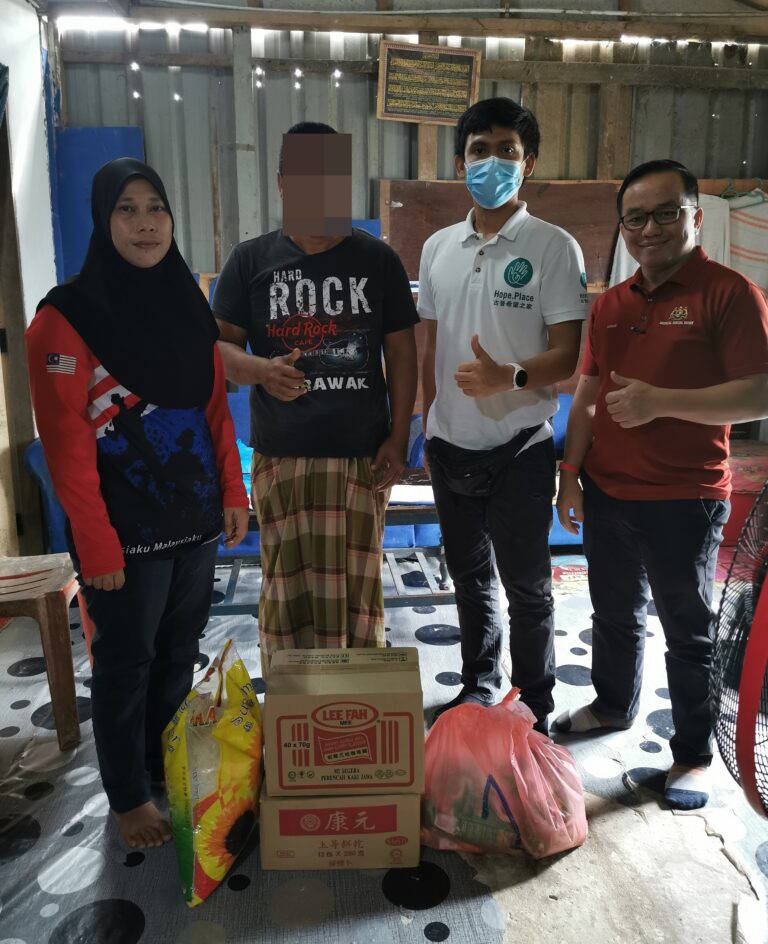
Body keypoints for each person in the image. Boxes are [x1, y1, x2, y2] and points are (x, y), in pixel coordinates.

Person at [25, 158, 249, 849]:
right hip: (122, 536)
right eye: (127, 208)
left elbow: (214, 410)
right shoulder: (64, 320)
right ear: (103, 219)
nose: (145, 223)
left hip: (194, 522)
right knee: (126, 663)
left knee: (178, 653)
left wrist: (233, 490)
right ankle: (127, 796)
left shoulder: (187, 304)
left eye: (156, 207)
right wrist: (95, 545)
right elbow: (66, 446)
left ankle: (162, 763)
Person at [554, 158, 768, 809]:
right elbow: (587, 393)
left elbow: (759, 393)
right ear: (623, 228)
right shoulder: (611, 304)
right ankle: (612, 704)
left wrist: (661, 402)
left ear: (695, 216)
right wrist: (570, 474)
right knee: (614, 614)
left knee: (687, 630)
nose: (650, 228)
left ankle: (693, 754)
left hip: (685, 498)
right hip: (608, 492)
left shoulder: (729, 294)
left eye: (666, 213)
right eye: (636, 218)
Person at [212, 122, 418, 675]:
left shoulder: (378, 260)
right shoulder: (249, 260)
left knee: (359, 596)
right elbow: (218, 351)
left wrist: (399, 437)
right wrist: (261, 371)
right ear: (283, 181)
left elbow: (401, 353)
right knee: (287, 596)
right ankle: (296, 709)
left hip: (361, 458)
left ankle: (356, 706)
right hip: (283, 457)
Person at [418, 97, 588, 732]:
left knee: (528, 588)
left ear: (528, 163)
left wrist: (508, 376)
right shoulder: (438, 246)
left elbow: (567, 355)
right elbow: (429, 343)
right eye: (479, 150)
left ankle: (535, 704)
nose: (491, 162)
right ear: (460, 162)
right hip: (448, 446)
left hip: (519, 446)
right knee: (469, 580)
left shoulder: (553, 246)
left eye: (506, 151)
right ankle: (478, 685)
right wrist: (425, 424)